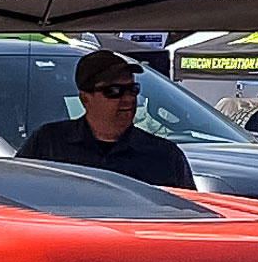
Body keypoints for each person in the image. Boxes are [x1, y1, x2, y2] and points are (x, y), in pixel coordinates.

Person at [17, 48, 195, 188]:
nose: (128, 99)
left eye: (132, 89)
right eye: (113, 91)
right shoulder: (47, 145)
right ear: (85, 99)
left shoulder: (165, 156)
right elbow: (14, 196)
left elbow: (189, 221)